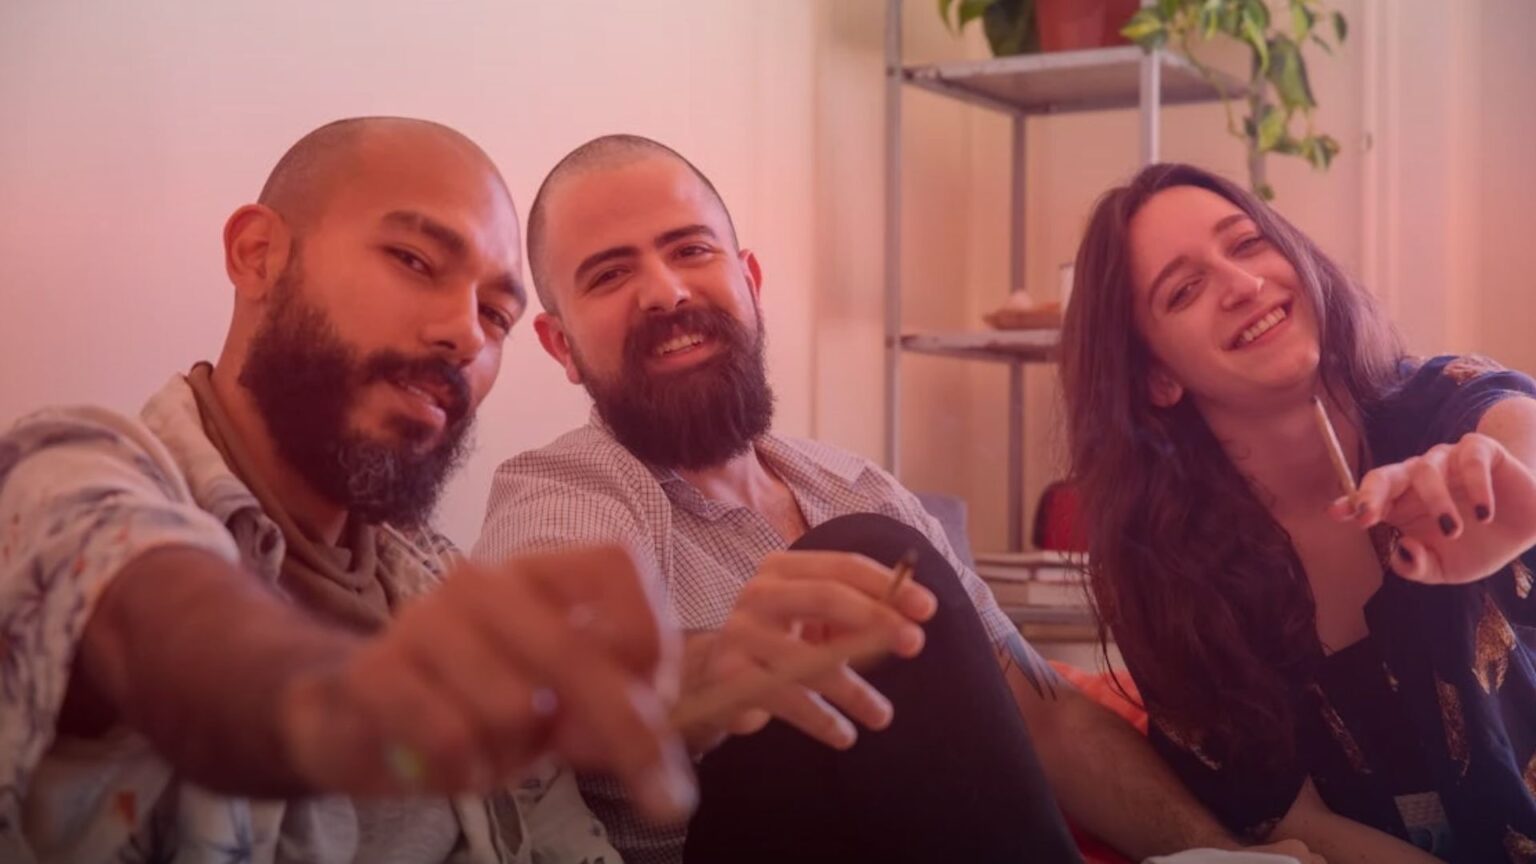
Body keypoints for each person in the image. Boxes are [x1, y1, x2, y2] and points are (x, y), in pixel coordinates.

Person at [475, 134, 1320, 864]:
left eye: (691, 250)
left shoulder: (854, 484)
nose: (665, 291)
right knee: (866, 571)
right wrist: (721, 662)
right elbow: (557, 670)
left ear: (750, 280)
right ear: (562, 346)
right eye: (610, 274)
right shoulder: (567, 488)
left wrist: (1220, 851)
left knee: (873, 552)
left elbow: (1042, 718)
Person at [0, 116, 697, 864]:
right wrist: (334, 706)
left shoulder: (434, 574)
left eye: (496, 315)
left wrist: (689, 683)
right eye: (415, 259)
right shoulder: (69, 473)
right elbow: (157, 620)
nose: (466, 336)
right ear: (257, 254)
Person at [1059, 161, 1536, 863]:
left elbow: (1514, 425)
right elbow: (1287, 817)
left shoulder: (1440, 404)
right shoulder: (1157, 568)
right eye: (1185, 289)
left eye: (1248, 244)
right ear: (1156, 374)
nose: (1245, 285)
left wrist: (1511, 488)